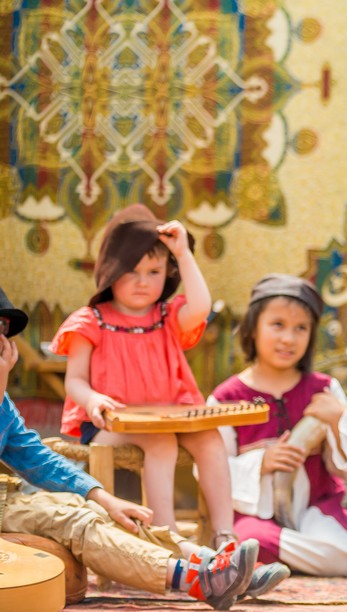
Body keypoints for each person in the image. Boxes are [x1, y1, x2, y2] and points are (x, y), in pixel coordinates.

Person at [0, 286, 286, 609]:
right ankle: (197, 577)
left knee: (108, 513)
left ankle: (218, 565)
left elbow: (37, 460)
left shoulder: (4, 406)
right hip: (7, 502)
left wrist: (105, 498)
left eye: (2, 331)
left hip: (11, 495)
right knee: (78, 523)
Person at [50, 205, 239, 549]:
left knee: (210, 438)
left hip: (170, 416)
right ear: (110, 271)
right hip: (111, 426)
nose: (142, 281)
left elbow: (200, 306)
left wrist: (182, 253)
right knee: (161, 441)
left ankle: (224, 534)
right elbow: (75, 380)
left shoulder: (167, 317)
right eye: (131, 271)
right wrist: (92, 399)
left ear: (167, 273)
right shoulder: (90, 320)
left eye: (153, 271)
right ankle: (167, 539)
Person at [210, 274, 347, 576]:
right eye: (278, 325)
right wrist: (261, 462)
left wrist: (336, 422)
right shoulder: (227, 397)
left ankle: (273, 561)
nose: (289, 338)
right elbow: (208, 471)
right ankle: (290, 556)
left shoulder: (325, 389)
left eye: (301, 328)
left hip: (316, 510)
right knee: (252, 539)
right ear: (253, 328)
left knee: (346, 553)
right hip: (256, 516)